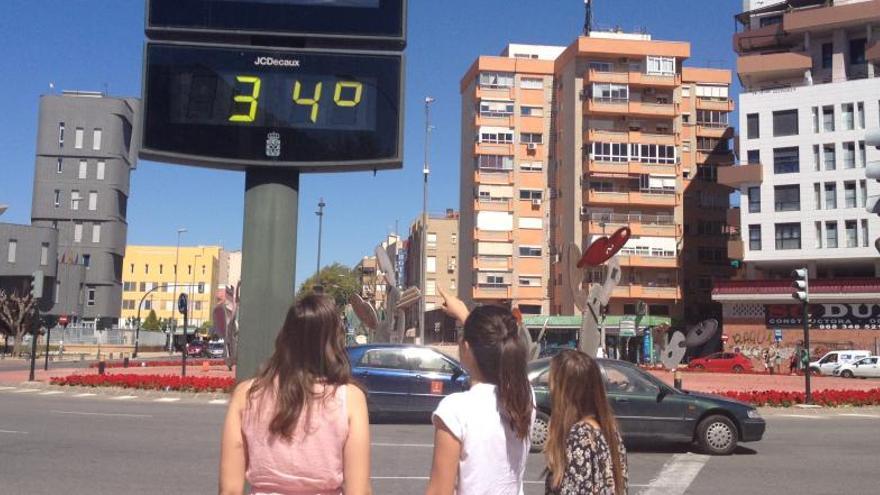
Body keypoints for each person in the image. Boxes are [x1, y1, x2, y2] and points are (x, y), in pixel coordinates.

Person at [219, 294, 371, 495]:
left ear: (285, 336)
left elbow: (230, 490)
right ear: (335, 341)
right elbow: (358, 491)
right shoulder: (350, 399)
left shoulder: (246, 394)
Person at [425, 288, 535, 495]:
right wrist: (465, 316)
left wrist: (465, 316)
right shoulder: (525, 396)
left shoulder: (456, 408)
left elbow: (439, 490)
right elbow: (495, 342)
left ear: (465, 349)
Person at [545, 350, 628, 495]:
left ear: (565, 392)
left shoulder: (580, 436)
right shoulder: (608, 429)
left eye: (552, 385)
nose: (549, 391)